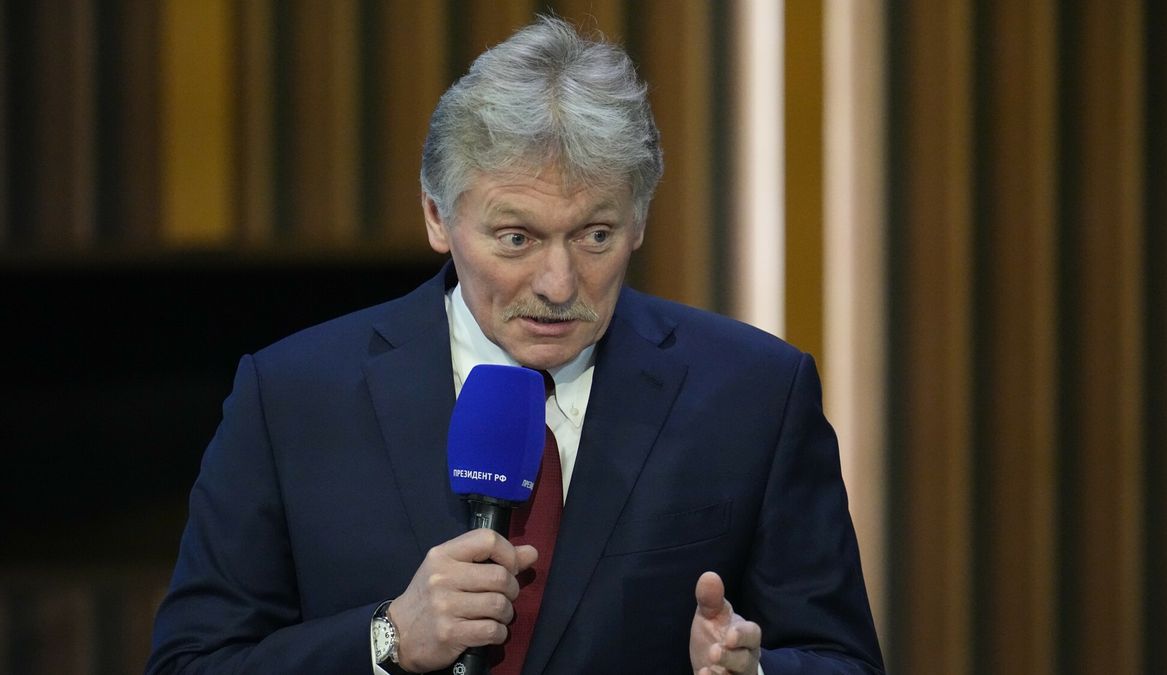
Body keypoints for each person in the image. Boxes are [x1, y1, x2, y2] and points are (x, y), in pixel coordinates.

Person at [146, 16, 883, 675]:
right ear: (438, 216)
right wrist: (386, 640)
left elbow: (841, 658)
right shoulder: (292, 397)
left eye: (595, 234)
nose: (558, 283)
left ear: (639, 220)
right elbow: (191, 661)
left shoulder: (753, 394)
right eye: (517, 237)